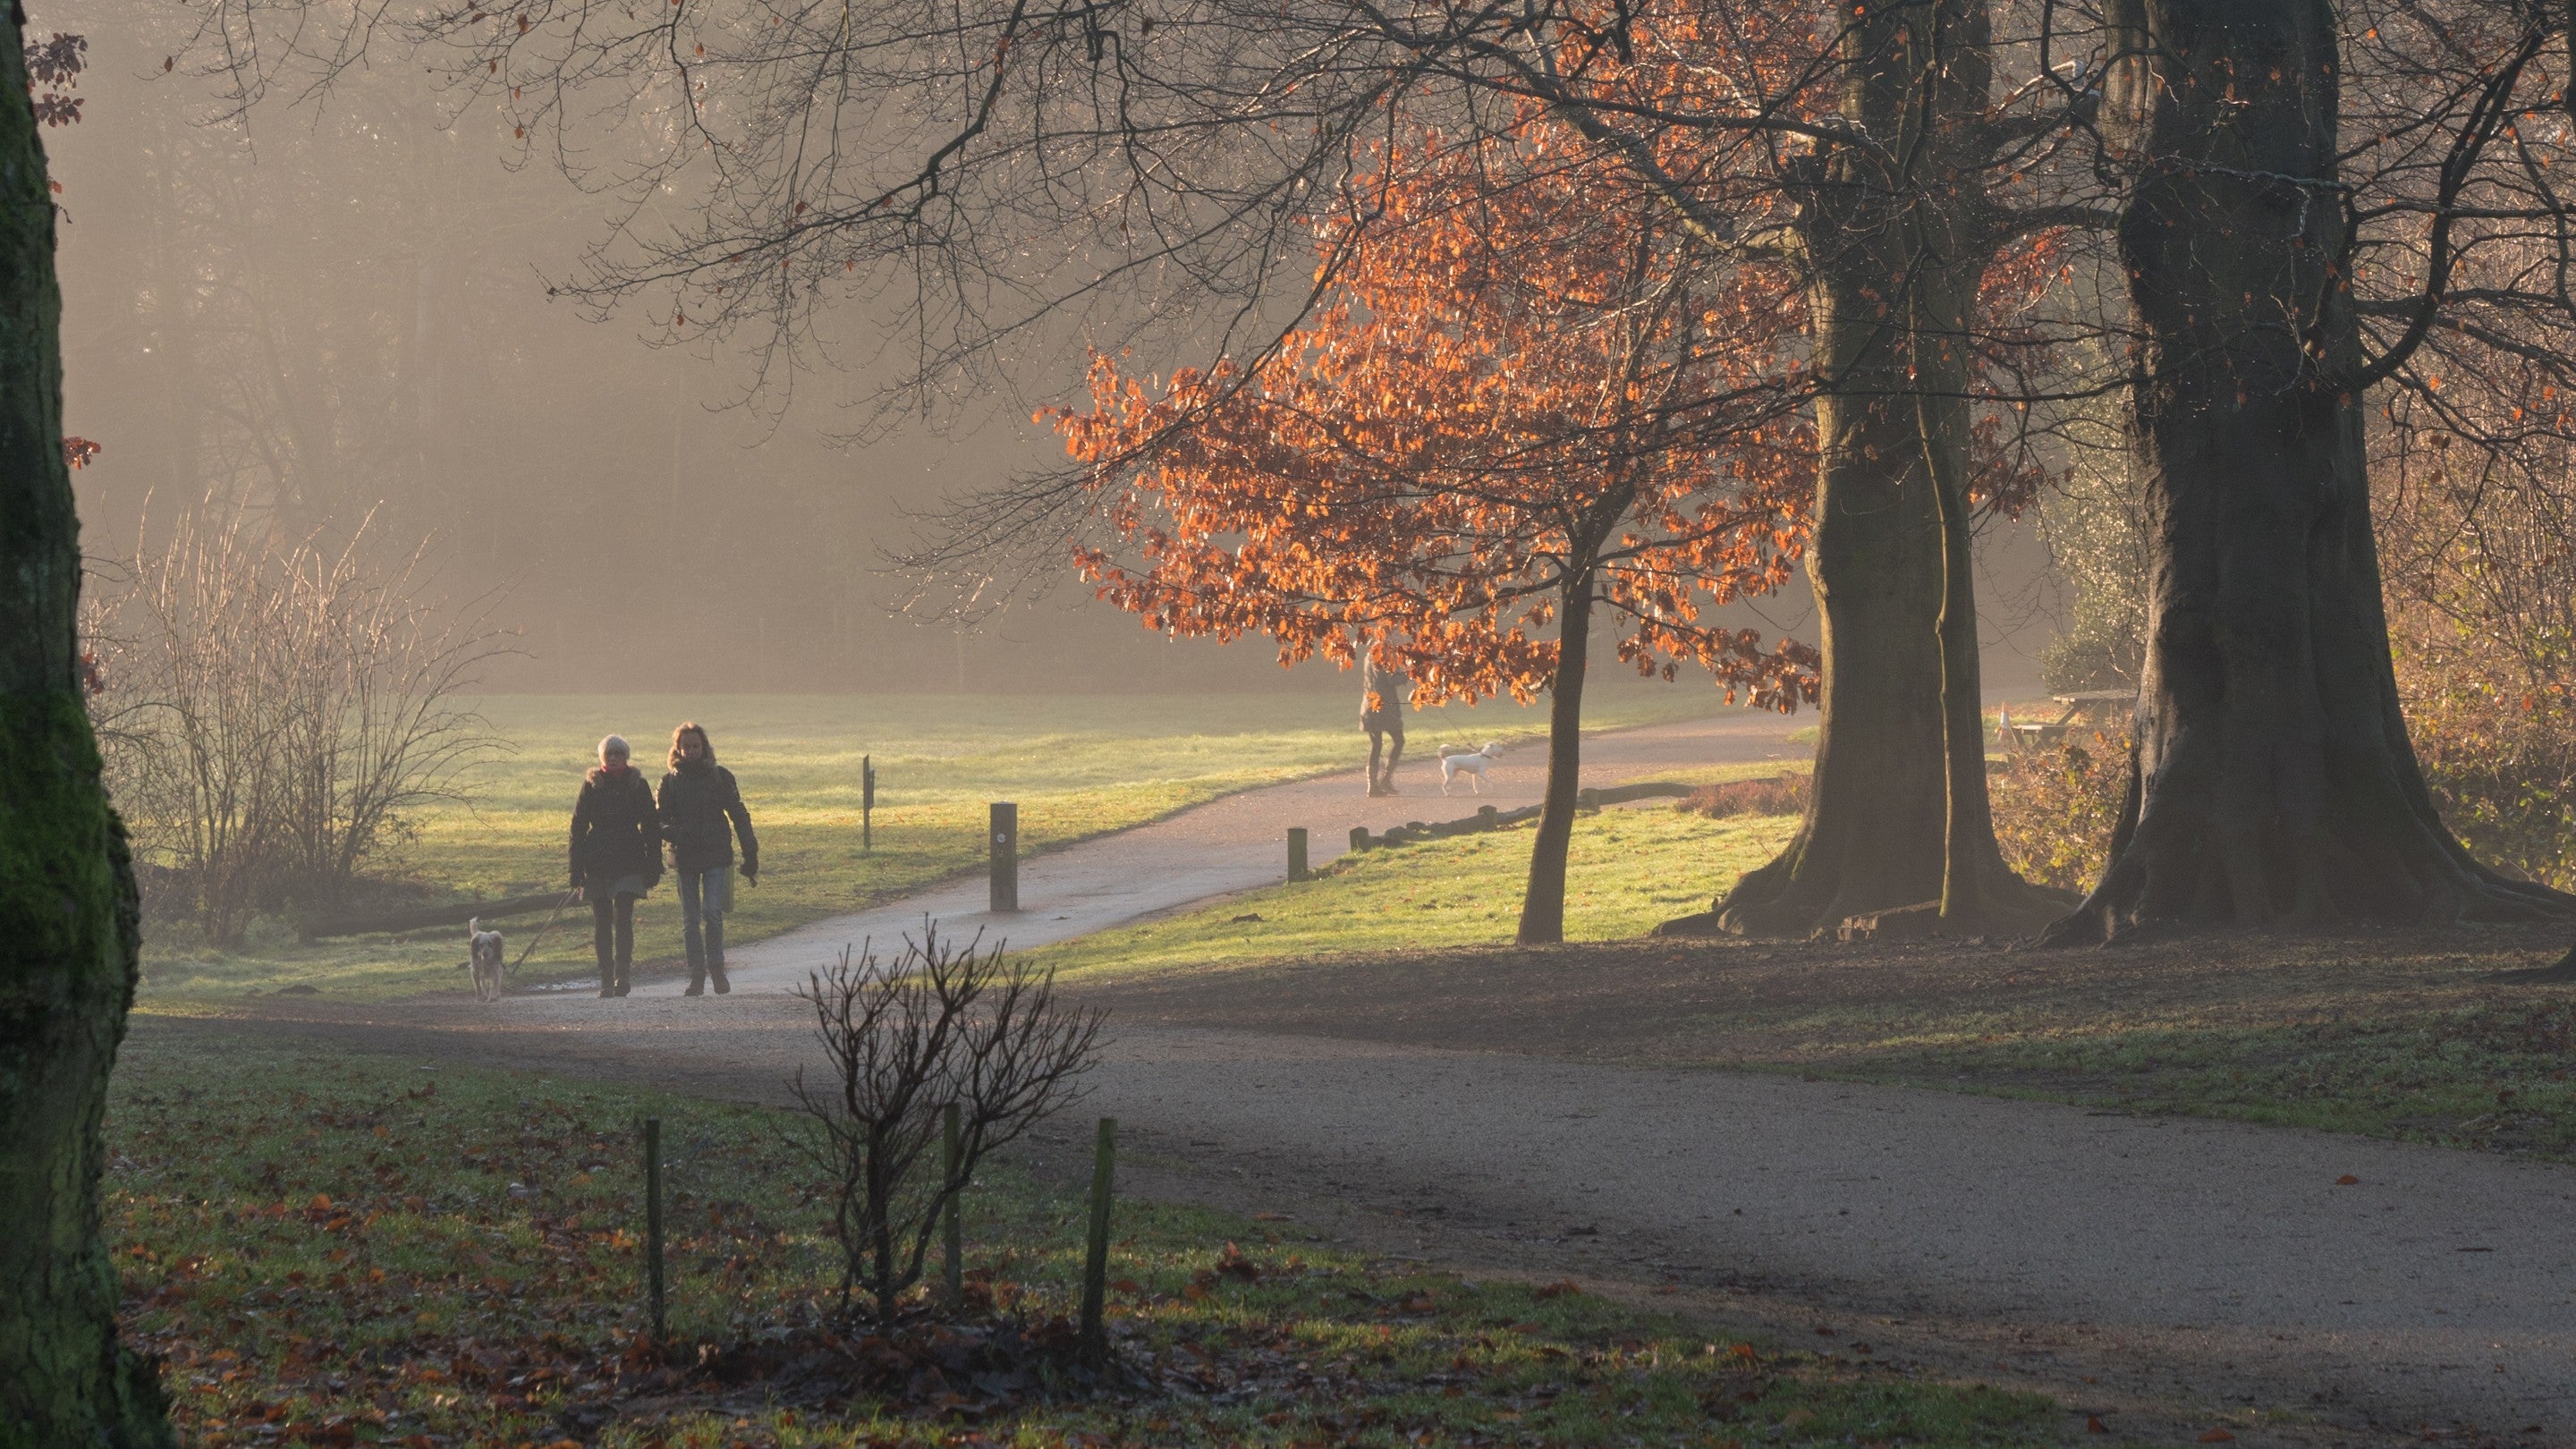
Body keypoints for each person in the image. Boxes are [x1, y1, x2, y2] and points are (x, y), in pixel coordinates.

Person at [657, 721, 758, 996]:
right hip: (686, 855)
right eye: (686, 747)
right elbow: (659, 819)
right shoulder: (669, 782)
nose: (691, 751)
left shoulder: (720, 777)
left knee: (712, 914)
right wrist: (671, 832)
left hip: (716, 854)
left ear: (704, 747)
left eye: (696, 746)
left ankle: (716, 969)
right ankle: (696, 975)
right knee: (690, 920)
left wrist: (751, 853)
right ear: (677, 749)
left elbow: (739, 815)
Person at [569, 734, 661, 997]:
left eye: (619, 755)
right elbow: (577, 827)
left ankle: (623, 975)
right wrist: (575, 867)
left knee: (623, 919)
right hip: (596, 859)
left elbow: (651, 826)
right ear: (602, 759)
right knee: (602, 921)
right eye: (610, 755)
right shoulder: (591, 786)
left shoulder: (638, 785)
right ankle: (606, 979)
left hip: (630, 858)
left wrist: (653, 863)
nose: (614, 759)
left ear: (626, 757)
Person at [1361, 654, 1411, 796]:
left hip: (1370, 704)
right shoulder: (1383, 653)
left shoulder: (1369, 654)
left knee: (1376, 744)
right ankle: (1386, 779)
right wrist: (1409, 673)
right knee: (1399, 740)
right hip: (1385, 707)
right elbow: (1391, 679)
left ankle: (1373, 786)